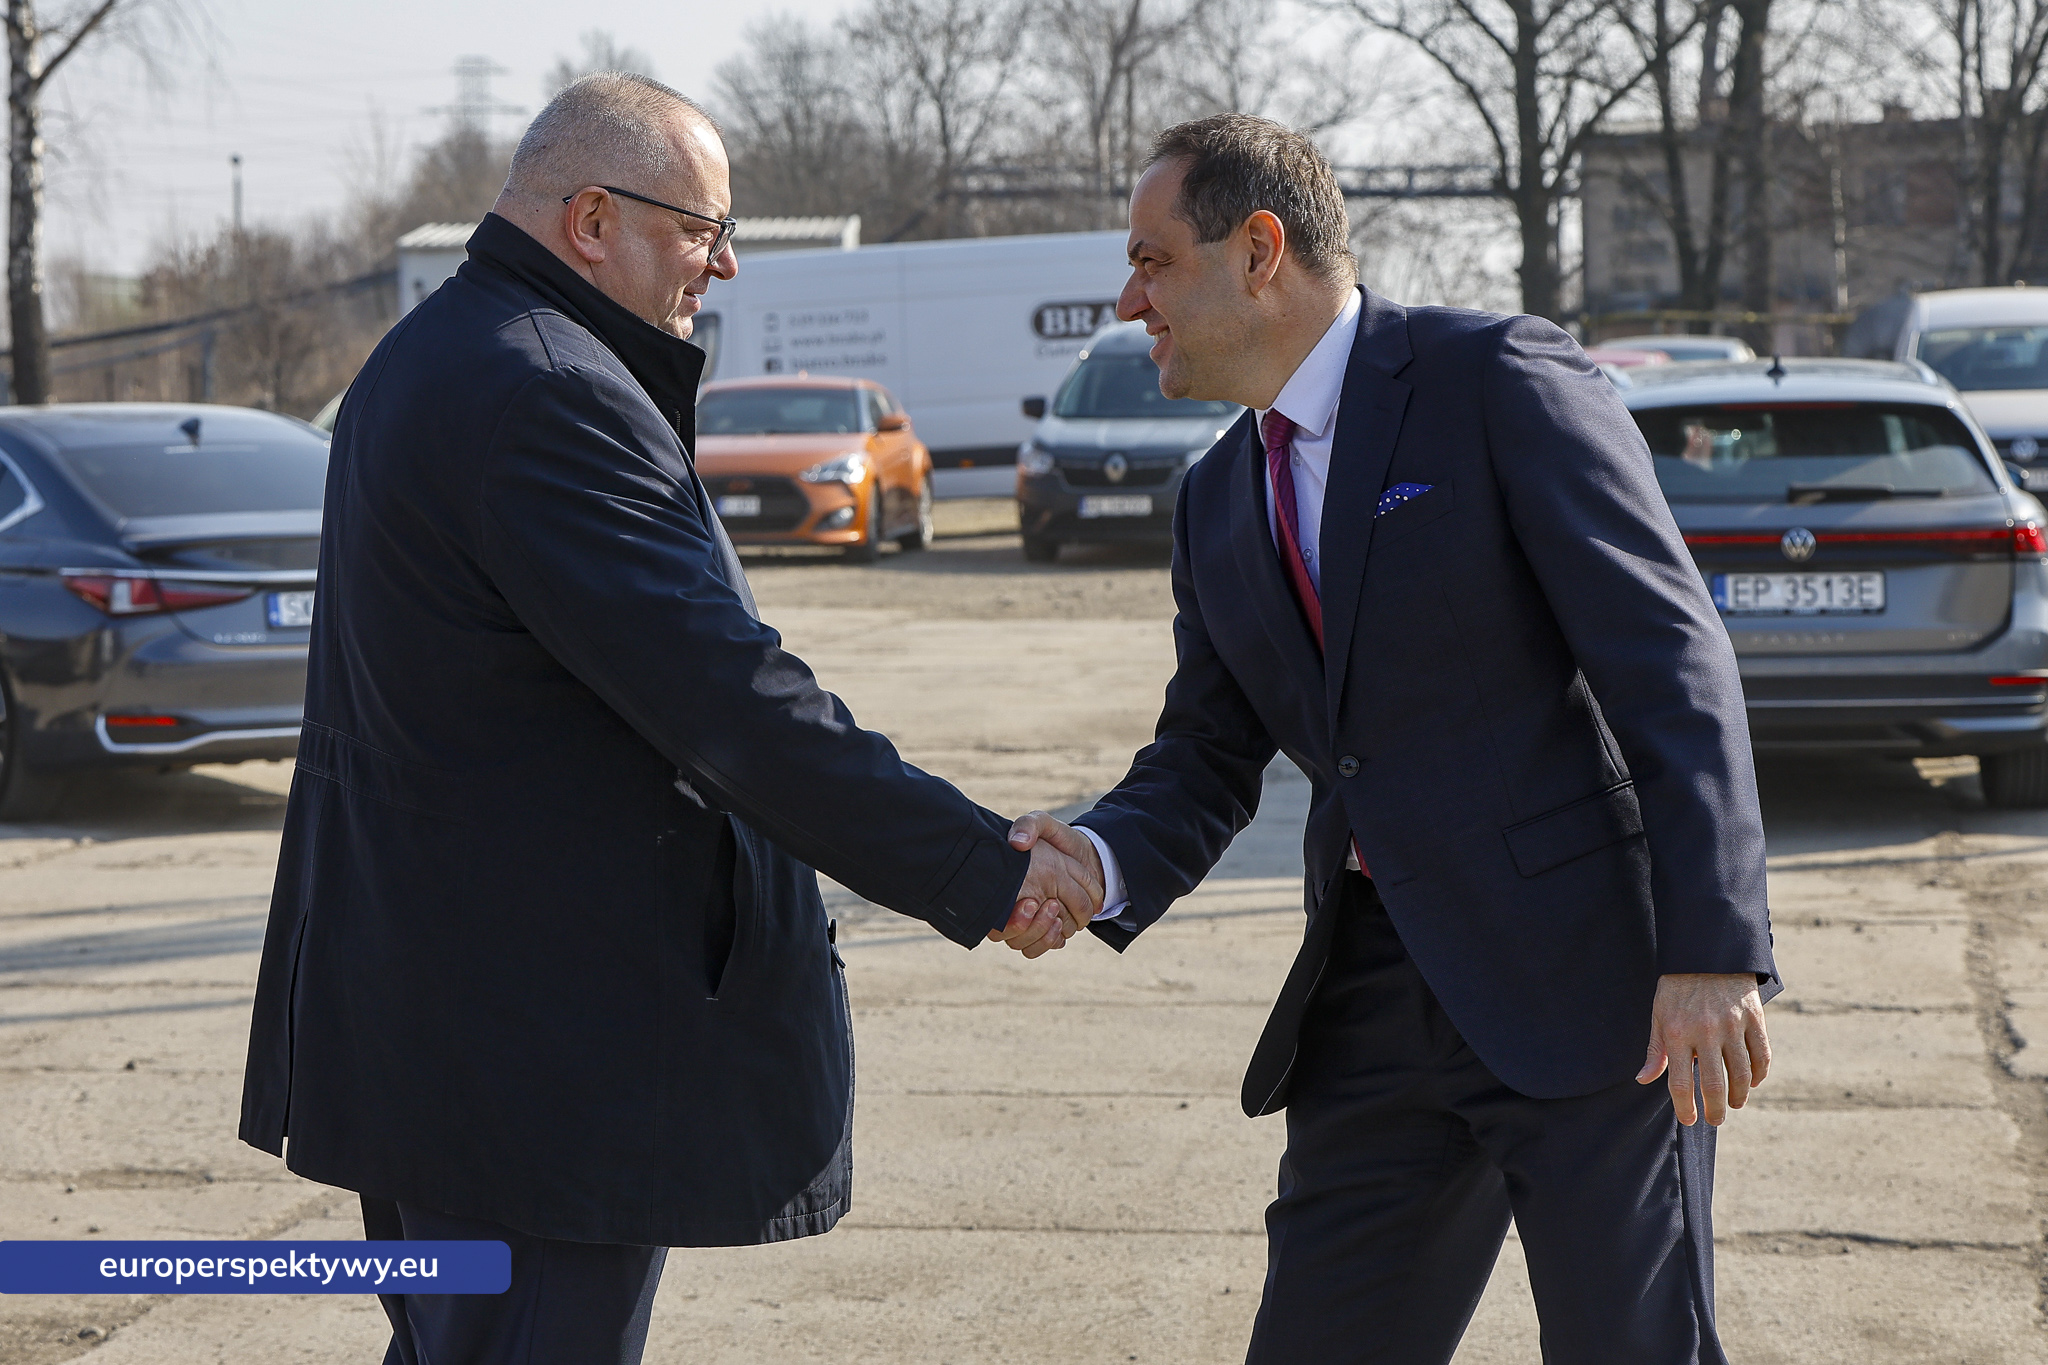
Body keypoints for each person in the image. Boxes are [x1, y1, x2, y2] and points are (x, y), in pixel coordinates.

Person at [238, 73, 1094, 1365]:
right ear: (593, 217)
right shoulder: (544, 391)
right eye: (703, 228)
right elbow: (727, 697)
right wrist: (982, 869)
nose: (727, 262)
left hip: (438, 1038)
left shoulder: (439, 357)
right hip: (528, 1067)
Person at [1005, 113, 1778, 1363]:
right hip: (1369, 1006)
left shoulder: (1494, 381)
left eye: (1150, 260)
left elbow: (1666, 663)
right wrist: (1094, 860)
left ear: (1258, 250)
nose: (1127, 296)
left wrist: (1712, 950)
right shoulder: (1213, 498)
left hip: (1590, 997)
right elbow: (1205, 755)